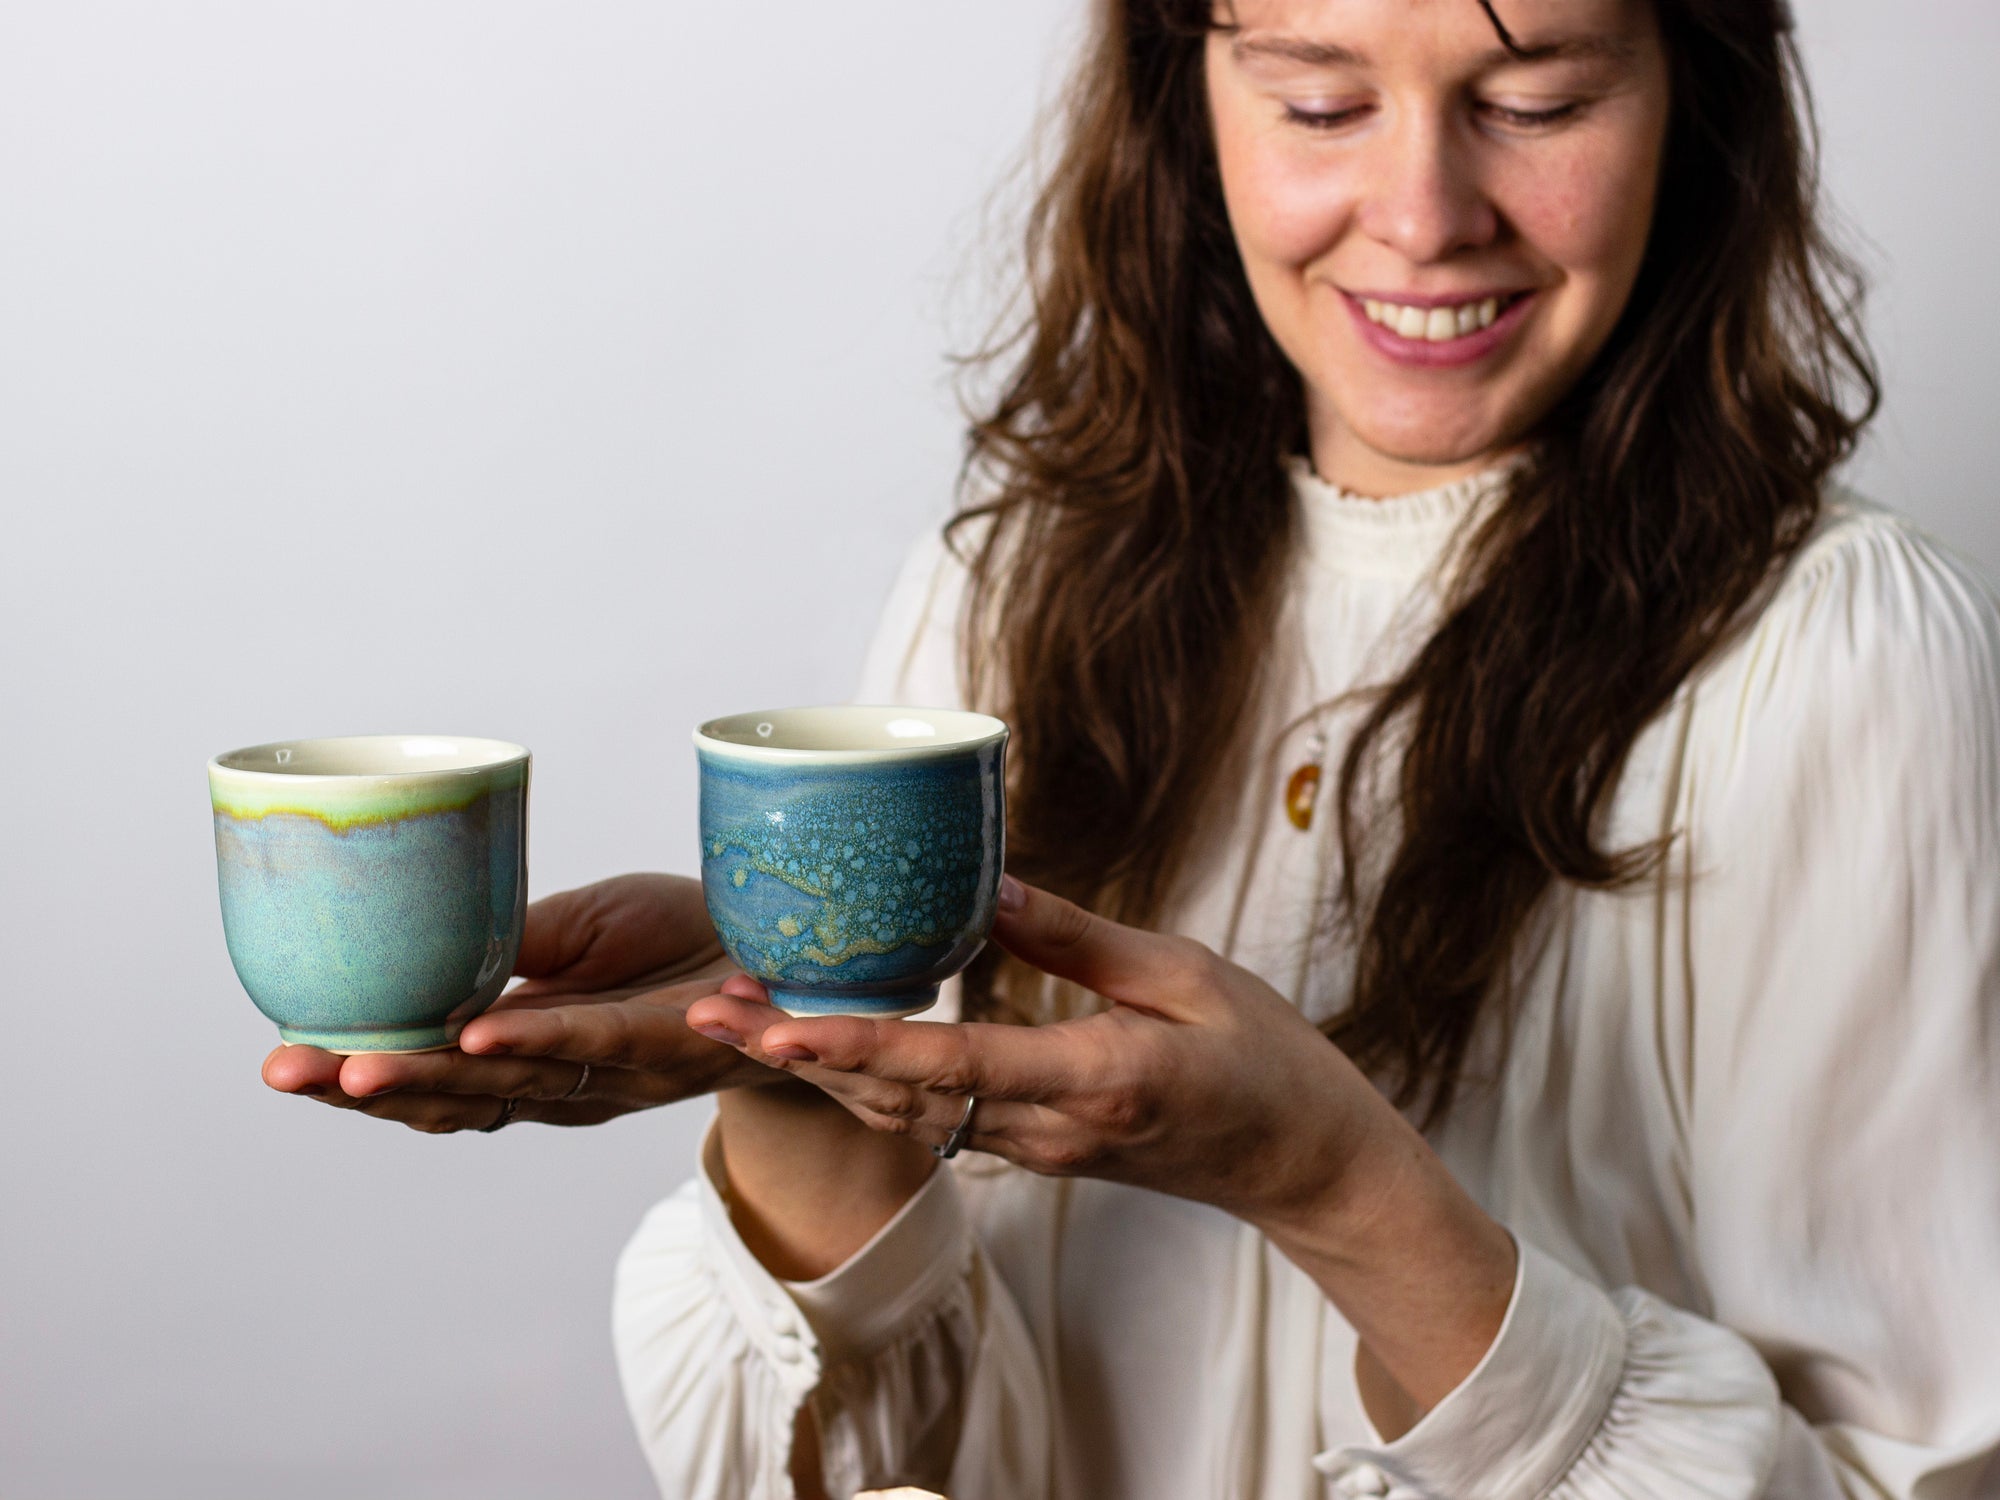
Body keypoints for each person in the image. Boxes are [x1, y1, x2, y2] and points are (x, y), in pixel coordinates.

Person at [265, 1, 2000, 1496]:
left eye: (1537, 101)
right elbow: (912, 1461)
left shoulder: (1844, 656)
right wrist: (788, 1070)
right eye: (1319, 101)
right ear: (1190, 97)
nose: (1423, 214)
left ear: (1698, 99)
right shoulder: (1005, 594)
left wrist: (1331, 1183)